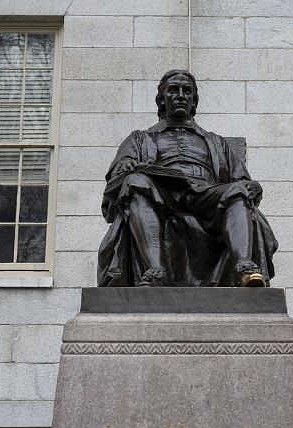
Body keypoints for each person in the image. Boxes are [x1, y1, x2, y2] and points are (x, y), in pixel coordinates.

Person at [97, 69, 278, 287]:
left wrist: (253, 186)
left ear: (194, 101)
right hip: (162, 195)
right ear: (161, 100)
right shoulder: (140, 138)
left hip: (205, 196)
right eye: (173, 90)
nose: (181, 96)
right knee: (134, 182)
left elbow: (241, 179)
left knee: (237, 191)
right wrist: (124, 166)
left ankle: (245, 268)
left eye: (187, 91)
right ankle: (155, 271)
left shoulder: (216, 141)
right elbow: (117, 175)